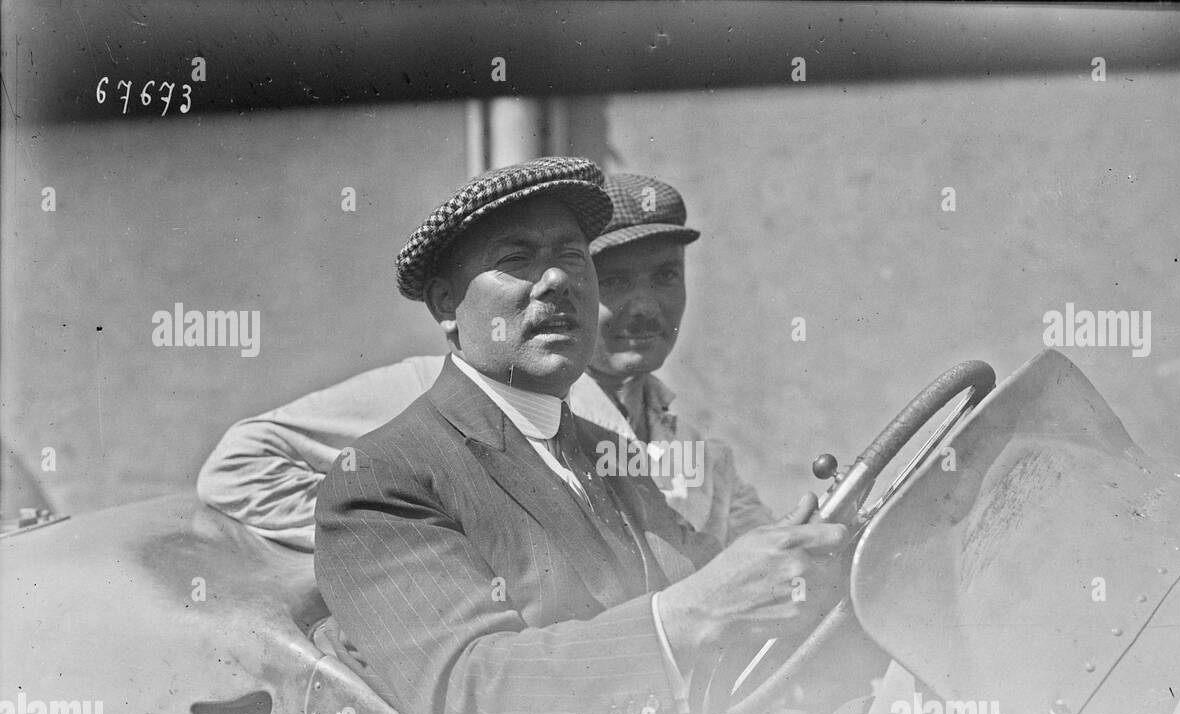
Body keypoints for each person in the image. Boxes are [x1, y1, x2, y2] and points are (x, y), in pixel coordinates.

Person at [313, 157, 862, 714]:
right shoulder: (384, 479)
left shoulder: (605, 451)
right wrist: (692, 614)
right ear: (448, 307)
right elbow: (473, 703)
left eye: (573, 257)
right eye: (516, 259)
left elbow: (712, 590)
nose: (557, 280)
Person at [195, 173, 772, 550]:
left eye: (666, 276)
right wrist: (417, 543)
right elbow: (240, 463)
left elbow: (760, 551)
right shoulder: (439, 393)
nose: (644, 306)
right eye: (617, 279)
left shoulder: (690, 442)